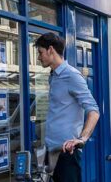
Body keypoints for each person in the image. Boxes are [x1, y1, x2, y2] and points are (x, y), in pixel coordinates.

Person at [34, 33, 100, 182]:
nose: (39, 57)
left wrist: (82, 139)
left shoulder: (72, 75)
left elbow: (94, 111)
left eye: (40, 52)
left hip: (67, 153)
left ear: (51, 50)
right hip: (50, 152)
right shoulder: (53, 76)